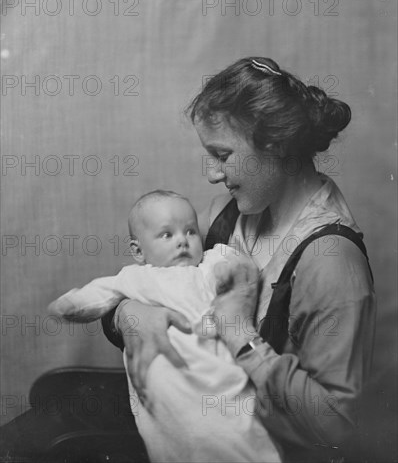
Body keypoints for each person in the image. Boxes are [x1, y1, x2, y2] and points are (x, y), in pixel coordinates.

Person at [102, 57, 376, 462]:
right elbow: (152, 286)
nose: (212, 174)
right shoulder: (224, 216)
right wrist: (128, 315)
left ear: (277, 145)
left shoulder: (332, 262)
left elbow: (336, 425)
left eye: (222, 155)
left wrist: (240, 336)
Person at [48, 190, 282, 463]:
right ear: (138, 250)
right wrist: (67, 306)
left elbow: (239, 268)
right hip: (167, 392)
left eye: (191, 232)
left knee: (237, 434)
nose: (183, 240)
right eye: (167, 235)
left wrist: (230, 273)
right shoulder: (133, 277)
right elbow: (96, 296)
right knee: (175, 444)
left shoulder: (207, 266)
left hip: (215, 379)